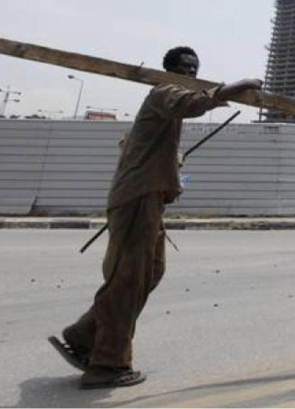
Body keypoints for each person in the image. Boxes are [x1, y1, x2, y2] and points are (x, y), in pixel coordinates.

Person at [49, 46, 262, 389]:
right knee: (129, 280)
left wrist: (171, 159)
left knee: (150, 271)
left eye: (194, 69)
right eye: (183, 68)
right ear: (170, 70)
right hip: (137, 199)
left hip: (144, 200)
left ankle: (85, 334)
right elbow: (189, 103)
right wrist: (231, 89)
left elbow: (131, 145)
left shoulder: (162, 113)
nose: (190, 74)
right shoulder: (164, 93)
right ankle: (107, 363)